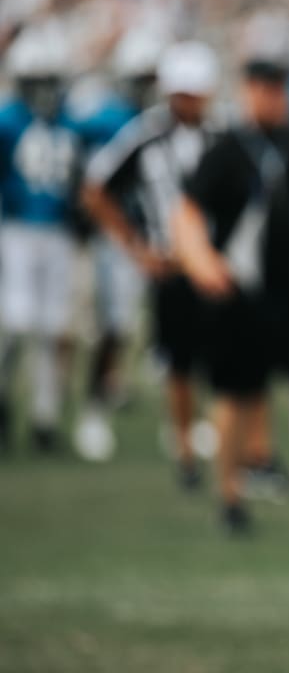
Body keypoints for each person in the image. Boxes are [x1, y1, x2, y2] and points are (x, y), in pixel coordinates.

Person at [171, 56, 289, 532]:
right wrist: (202, 263)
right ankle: (230, 496)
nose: (274, 96)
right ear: (247, 91)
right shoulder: (227, 148)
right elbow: (187, 213)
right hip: (243, 298)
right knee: (235, 396)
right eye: (264, 87)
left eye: (280, 87)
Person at [80, 40, 219, 474]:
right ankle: (178, 444)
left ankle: (196, 430)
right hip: (167, 262)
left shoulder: (222, 134)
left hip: (212, 261)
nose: (188, 101)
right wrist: (136, 246)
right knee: (162, 350)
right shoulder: (147, 133)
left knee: (211, 353)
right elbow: (96, 189)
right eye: (182, 92)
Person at [70, 27, 165, 461]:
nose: (146, 87)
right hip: (126, 239)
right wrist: (126, 238)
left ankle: (177, 422)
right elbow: (93, 186)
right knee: (116, 326)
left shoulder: (162, 120)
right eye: (140, 78)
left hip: (160, 237)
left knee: (170, 331)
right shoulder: (113, 121)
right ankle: (92, 413)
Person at [0, 24, 86, 455]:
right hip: (15, 230)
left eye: (49, 81)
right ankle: (4, 399)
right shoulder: (7, 120)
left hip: (58, 233)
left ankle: (45, 418)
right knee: (16, 324)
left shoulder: (72, 120)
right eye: (37, 82)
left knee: (53, 328)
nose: (44, 91)